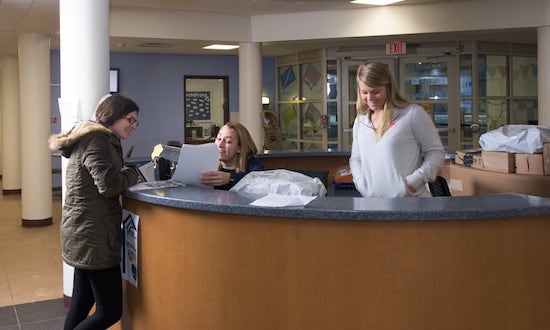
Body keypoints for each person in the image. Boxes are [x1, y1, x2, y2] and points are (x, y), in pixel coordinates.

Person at [48, 94, 140, 329]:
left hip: (84, 232)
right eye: (129, 119)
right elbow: (109, 186)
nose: (134, 125)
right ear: (113, 115)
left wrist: (121, 173)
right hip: (94, 237)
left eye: (136, 121)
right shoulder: (97, 140)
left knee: (81, 302)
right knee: (109, 311)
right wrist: (134, 174)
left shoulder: (94, 137)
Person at [349, 62, 444, 198]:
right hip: (372, 204)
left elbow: (436, 153)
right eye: (364, 92)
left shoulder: (413, 114)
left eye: (376, 92)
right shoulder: (360, 121)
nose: (370, 99)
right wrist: (360, 183)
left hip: (410, 202)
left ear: (388, 87)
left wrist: (414, 181)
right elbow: (356, 159)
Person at [200, 120, 264, 190]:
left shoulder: (252, 164)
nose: (220, 145)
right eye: (219, 139)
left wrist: (230, 178)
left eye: (228, 141)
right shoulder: (207, 164)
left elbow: (261, 183)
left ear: (240, 148)